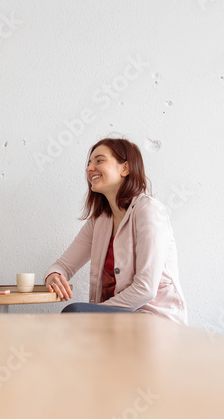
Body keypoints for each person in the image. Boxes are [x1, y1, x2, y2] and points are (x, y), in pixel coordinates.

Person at [44, 137, 187, 324]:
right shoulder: (99, 221)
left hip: (155, 321)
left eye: (99, 160)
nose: (89, 168)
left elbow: (145, 289)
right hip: (118, 323)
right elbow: (63, 266)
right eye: (89, 163)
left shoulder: (148, 211)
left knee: (75, 313)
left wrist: (92, 315)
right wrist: (53, 276)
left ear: (125, 169)